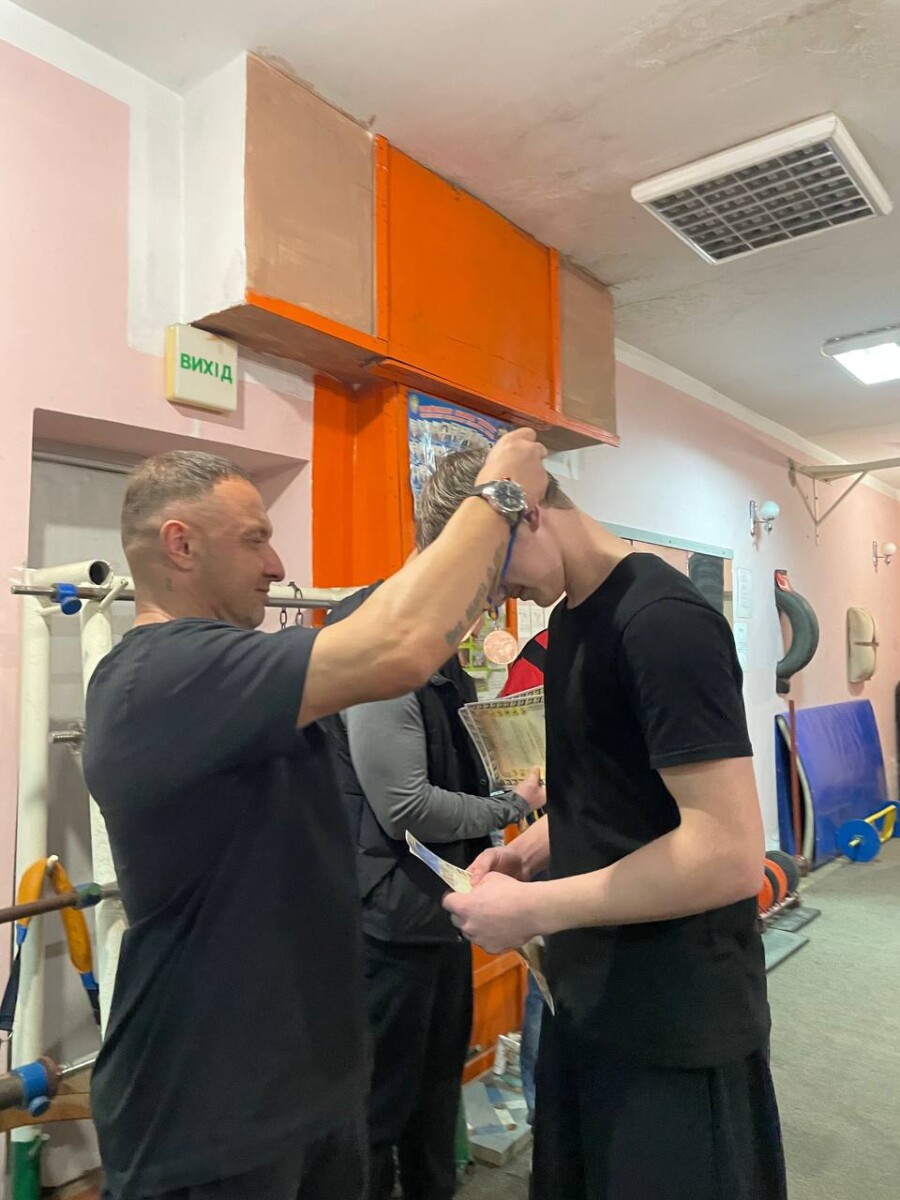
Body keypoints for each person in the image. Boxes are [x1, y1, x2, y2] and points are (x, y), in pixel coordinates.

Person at [82, 430, 547, 1200]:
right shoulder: (164, 672)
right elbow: (401, 646)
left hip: (308, 1091)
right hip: (208, 1115)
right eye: (254, 539)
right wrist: (498, 494)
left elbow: (405, 622)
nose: (277, 565)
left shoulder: (228, 676)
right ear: (181, 545)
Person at [414, 451, 788, 1200]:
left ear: (527, 513)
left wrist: (535, 907)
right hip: (592, 999)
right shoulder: (571, 619)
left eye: (491, 574)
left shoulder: (663, 623)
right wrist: (528, 854)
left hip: (675, 1021)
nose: (496, 599)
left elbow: (726, 854)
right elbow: (612, 795)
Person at [323, 582, 544, 1200]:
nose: (494, 603)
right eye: (491, 586)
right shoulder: (385, 649)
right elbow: (406, 808)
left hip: (441, 903)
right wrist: (509, 805)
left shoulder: (439, 655)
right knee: (380, 1105)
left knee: (436, 1089)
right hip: (390, 917)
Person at [495, 631, 550, 1125]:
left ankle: (545, 1106)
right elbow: (505, 751)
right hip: (551, 842)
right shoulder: (542, 653)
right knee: (547, 971)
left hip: (583, 838)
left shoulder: (541, 651)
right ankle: (542, 1108)